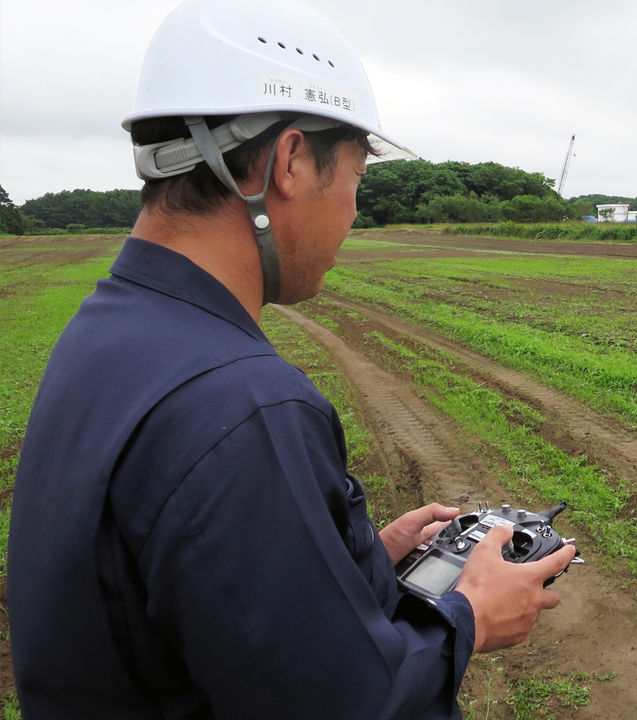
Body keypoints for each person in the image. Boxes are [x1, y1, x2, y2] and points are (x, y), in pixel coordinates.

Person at [6, 0, 576, 717]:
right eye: (358, 181)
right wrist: (469, 619)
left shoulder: (111, 332)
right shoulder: (243, 407)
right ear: (292, 161)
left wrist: (353, 560)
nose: (354, 213)